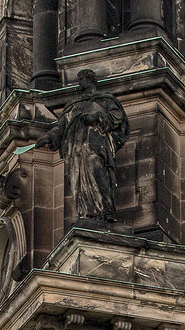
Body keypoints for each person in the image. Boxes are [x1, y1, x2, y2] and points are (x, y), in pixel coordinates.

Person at [36, 69, 129, 222]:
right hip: (76, 149)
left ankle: (106, 210)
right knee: (77, 180)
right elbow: (61, 126)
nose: (81, 83)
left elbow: (117, 118)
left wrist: (96, 117)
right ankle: (88, 212)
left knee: (98, 172)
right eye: (80, 80)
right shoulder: (73, 105)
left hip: (95, 144)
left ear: (91, 81)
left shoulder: (105, 100)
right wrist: (47, 137)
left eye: (83, 79)